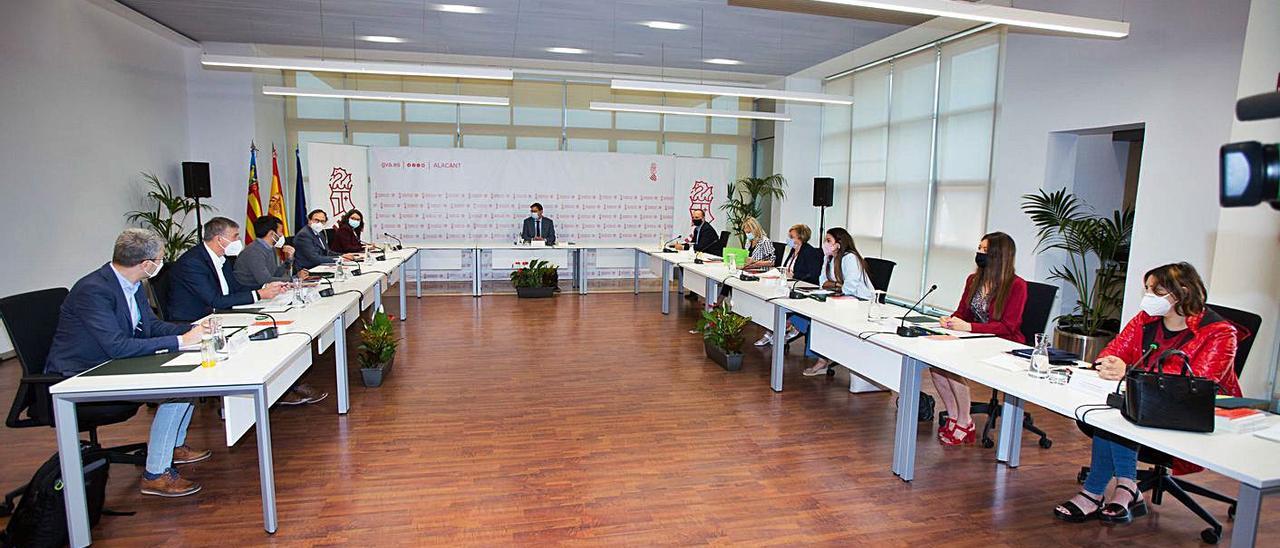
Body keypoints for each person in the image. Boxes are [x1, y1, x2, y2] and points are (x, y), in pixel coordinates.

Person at [1054, 262, 1240, 525]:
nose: (1148, 296)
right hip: (1146, 405)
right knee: (1109, 416)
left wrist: (1128, 371)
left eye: (1156, 290)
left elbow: (1193, 383)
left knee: (1116, 419)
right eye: (1148, 289)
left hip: (1193, 415)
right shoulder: (1147, 320)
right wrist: (1109, 364)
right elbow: (1113, 350)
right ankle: (1124, 487)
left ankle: (1097, 492)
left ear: (1182, 292)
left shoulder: (1220, 333)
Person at [45, 229, 211, 497]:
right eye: (160, 259)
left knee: (189, 379)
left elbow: (151, 326)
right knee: (178, 389)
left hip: (111, 365)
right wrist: (181, 341)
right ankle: (156, 474)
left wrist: (192, 329)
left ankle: (173, 447)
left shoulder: (130, 283)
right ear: (146, 264)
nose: (161, 264)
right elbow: (117, 346)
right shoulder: (94, 290)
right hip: (79, 376)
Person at [933, 232, 1027, 446]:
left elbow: (1009, 326)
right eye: (979, 248)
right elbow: (962, 312)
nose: (979, 253)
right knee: (936, 367)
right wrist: (950, 320)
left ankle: (966, 422)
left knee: (952, 367)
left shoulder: (1016, 285)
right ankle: (954, 416)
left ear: (998, 255)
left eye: (985, 250)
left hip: (1004, 343)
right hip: (975, 339)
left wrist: (970, 327)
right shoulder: (974, 279)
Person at [165, 217, 288, 323]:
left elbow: (236, 287)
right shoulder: (193, 263)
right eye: (235, 237)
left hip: (220, 314)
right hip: (195, 321)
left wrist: (266, 287)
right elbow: (215, 300)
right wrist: (259, 294)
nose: (238, 241)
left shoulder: (222, 258)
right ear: (219, 239)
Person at [787, 227, 874, 375]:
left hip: (861, 303)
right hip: (841, 298)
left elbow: (850, 288)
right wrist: (837, 285)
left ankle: (823, 360)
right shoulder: (829, 258)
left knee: (821, 317)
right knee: (807, 313)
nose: (825, 244)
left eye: (828, 241)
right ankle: (822, 358)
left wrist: (836, 286)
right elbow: (822, 282)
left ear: (839, 244)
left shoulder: (850, 258)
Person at [754, 224, 821, 347]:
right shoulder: (793, 250)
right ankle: (769, 333)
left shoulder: (809, 252)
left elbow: (813, 274)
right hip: (788, 285)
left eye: (791, 236)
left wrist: (793, 275)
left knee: (778, 300)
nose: (788, 239)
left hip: (802, 287)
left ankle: (785, 330)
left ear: (800, 237)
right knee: (770, 299)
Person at [234, 215, 306, 287]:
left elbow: (275, 274)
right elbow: (266, 280)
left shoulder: (269, 248)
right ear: (271, 233)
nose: (282, 235)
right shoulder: (254, 251)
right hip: (250, 291)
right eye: (280, 231)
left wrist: (289, 260)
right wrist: (295, 278)